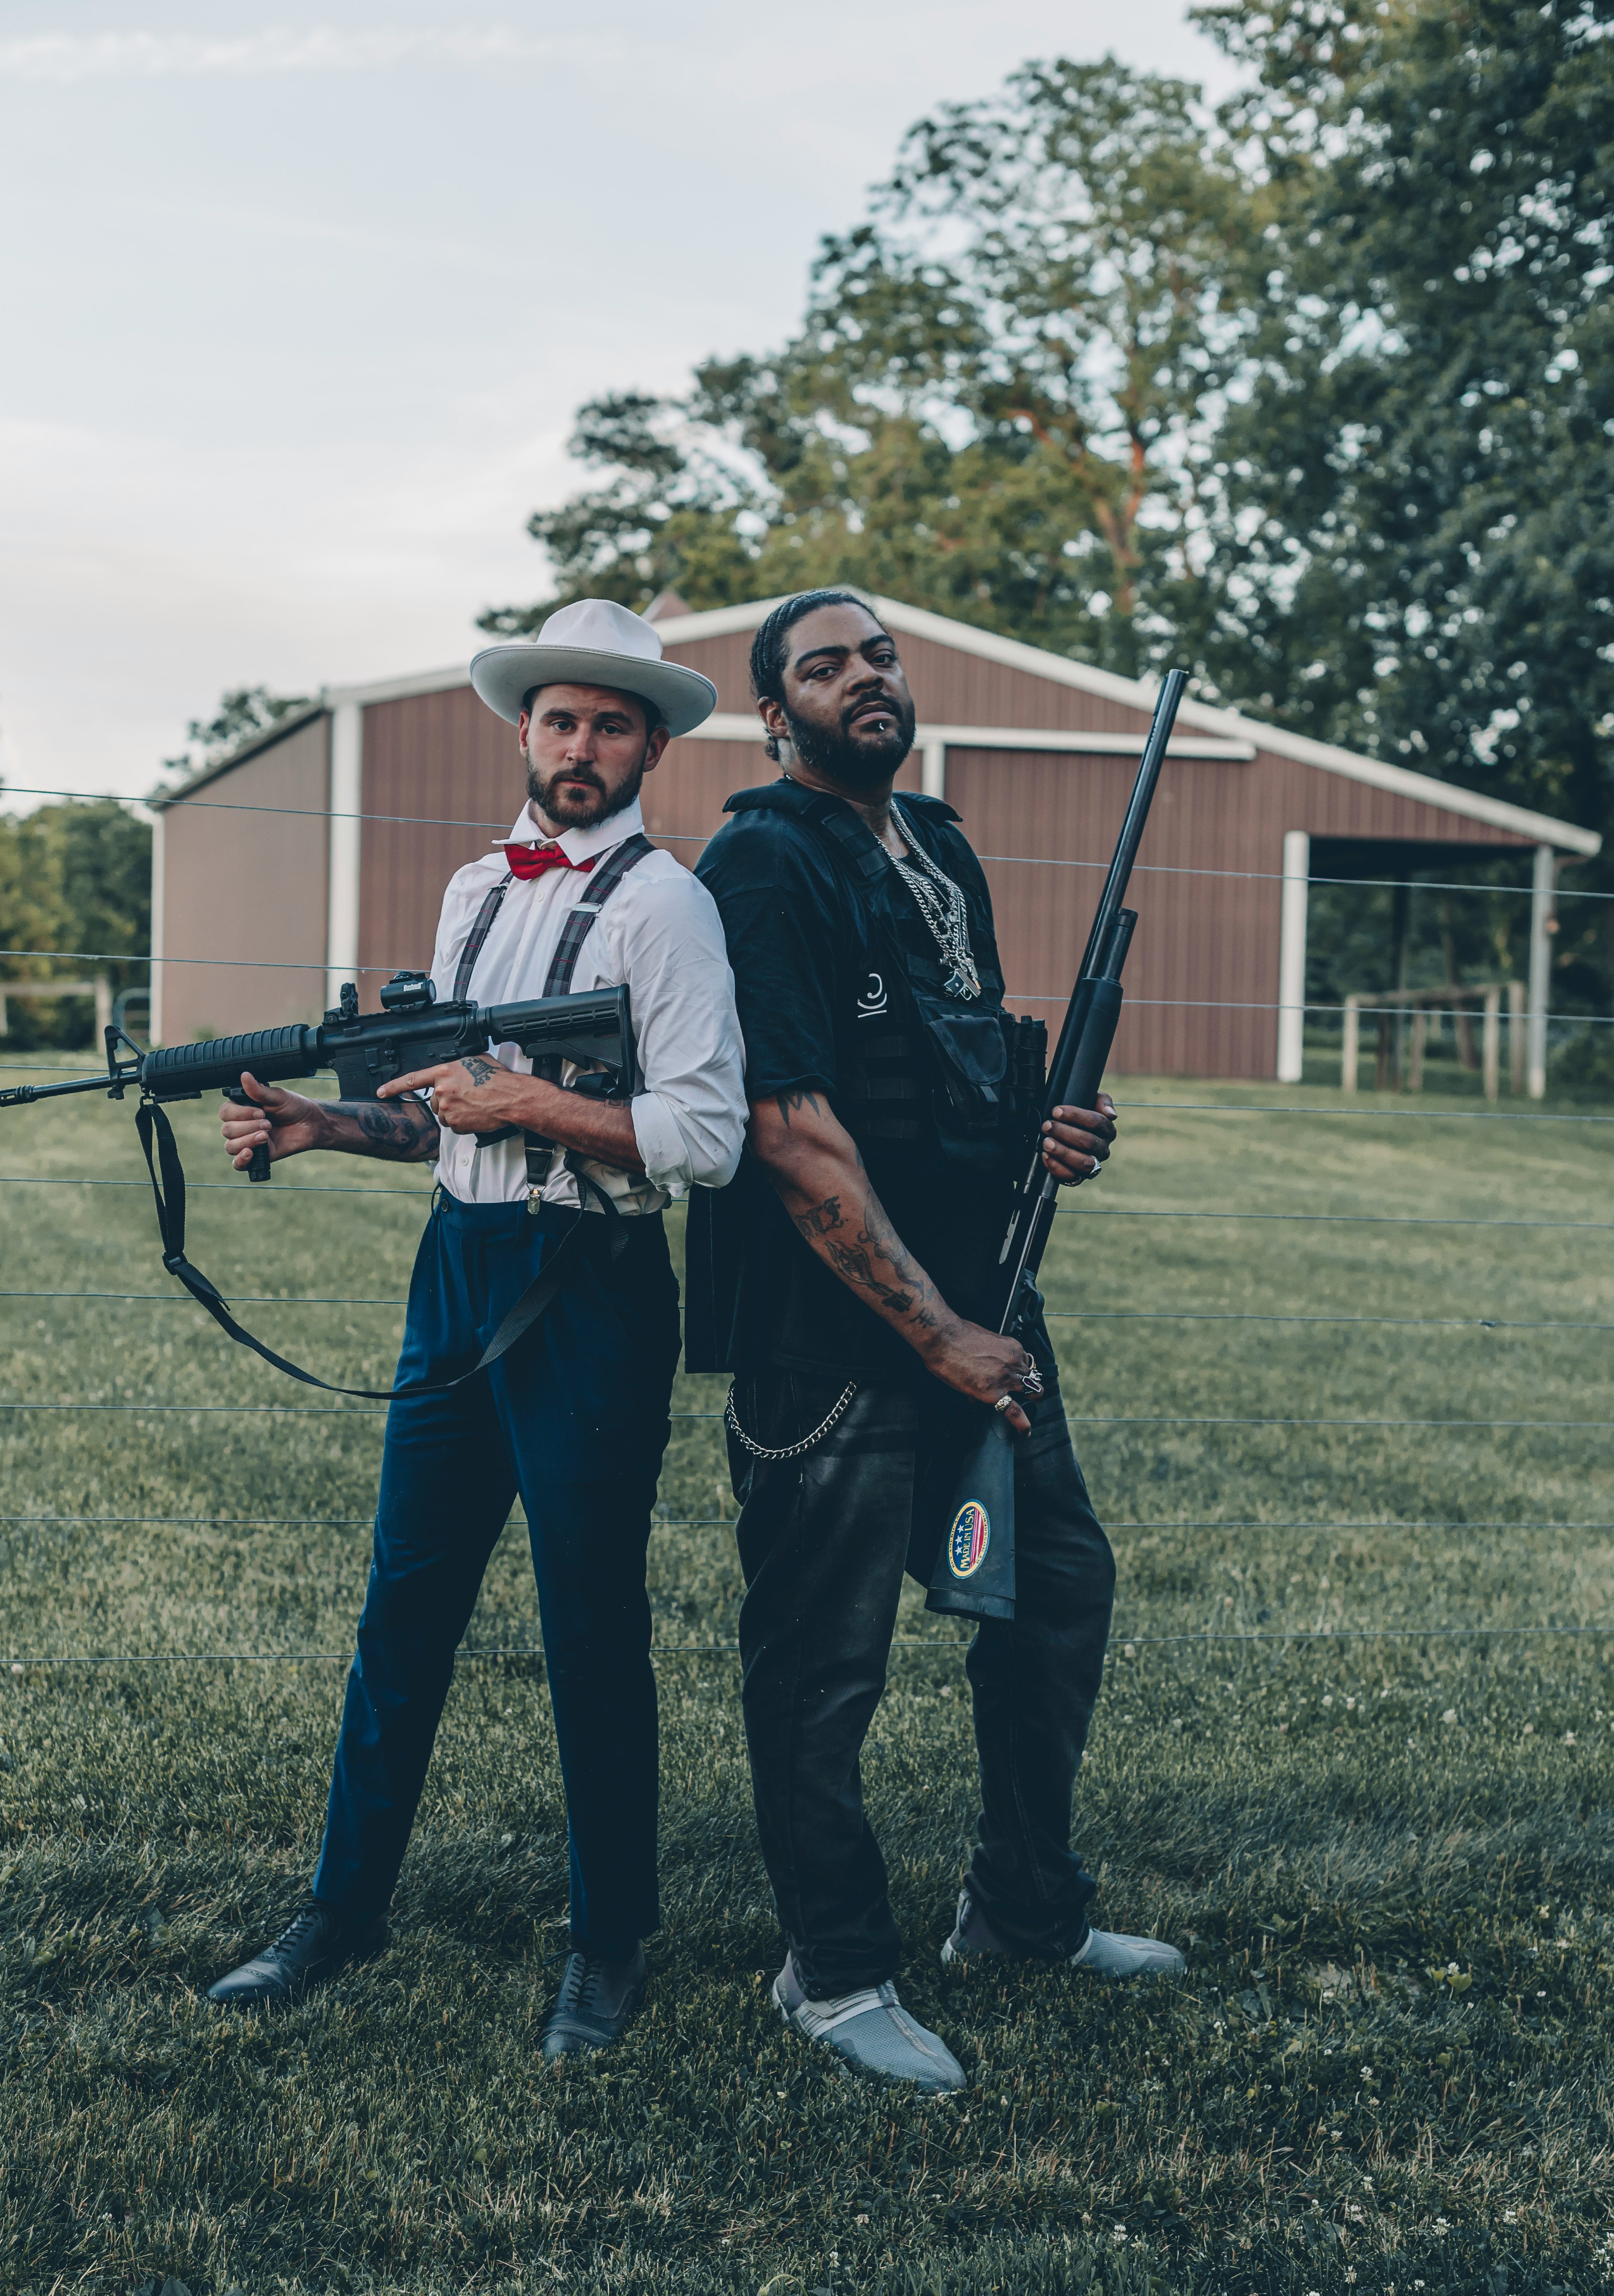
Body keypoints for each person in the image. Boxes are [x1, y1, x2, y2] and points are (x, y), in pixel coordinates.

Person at [204, 599, 746, 2060]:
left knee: (589, 1620)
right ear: (525, 730)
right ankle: (341, 1907)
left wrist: (532, 1104)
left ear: (650, 746)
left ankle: (608, 1942)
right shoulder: (468, 892)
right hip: (459, 1265)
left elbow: (705, 1134)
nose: (581, 748)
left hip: (593, 1287)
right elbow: (443, 1109)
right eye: (561, 720)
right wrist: (328, 1121)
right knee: (404, 1607)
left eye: (612, 725)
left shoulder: (667, 907)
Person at [685, 589, 1183, 2095]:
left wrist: (1047, 1125)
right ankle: (832, 1971)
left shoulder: (942, 840)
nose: (863, 681)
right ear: (777, 714)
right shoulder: (760, 861)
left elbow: (947, 1059)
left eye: (878, 656)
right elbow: (793, 1130)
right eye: (823, 668)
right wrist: (943, 1333)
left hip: (984, 1302)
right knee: (822, 1663)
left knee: (1054, 1590)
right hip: (836, 1341)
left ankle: (1023, 1911)